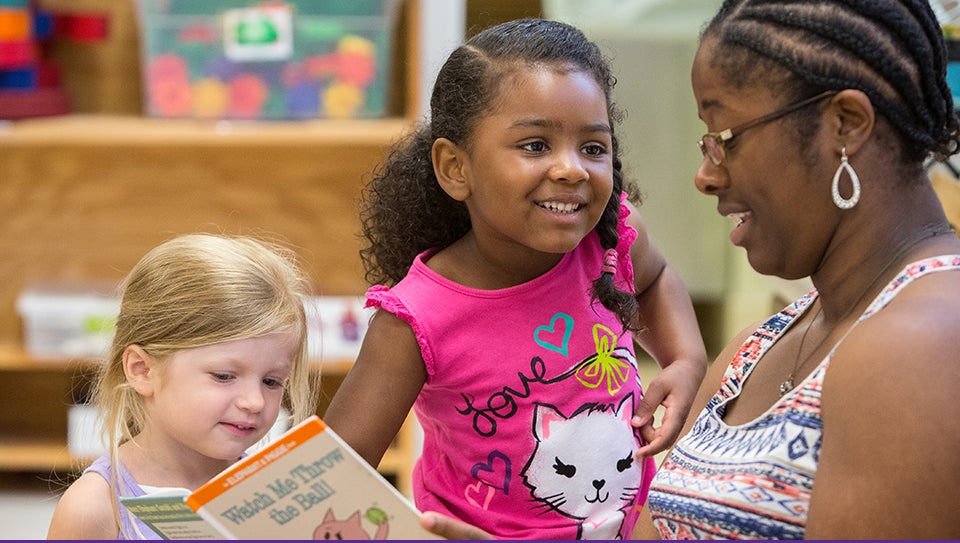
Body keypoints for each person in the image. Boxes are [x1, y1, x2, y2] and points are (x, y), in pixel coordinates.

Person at [418, 0, 960, 540]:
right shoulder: (759, 348)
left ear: (844, 124)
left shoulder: (921, 343)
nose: (705, 175)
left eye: (725, 138)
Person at [322, 18, 708, 540]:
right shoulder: (415, 320)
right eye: (534, 145)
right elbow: (332, 477)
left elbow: (656, 278)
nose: (572, 169)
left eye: (593, 148)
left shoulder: (612, 237)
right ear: (455, 168)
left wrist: (685, 359)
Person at [46, 233, 319, 540]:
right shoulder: (93, 509)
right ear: (142, 370)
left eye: (271, 381)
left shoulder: (274, 494)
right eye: (224, 376)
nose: (255, 402)